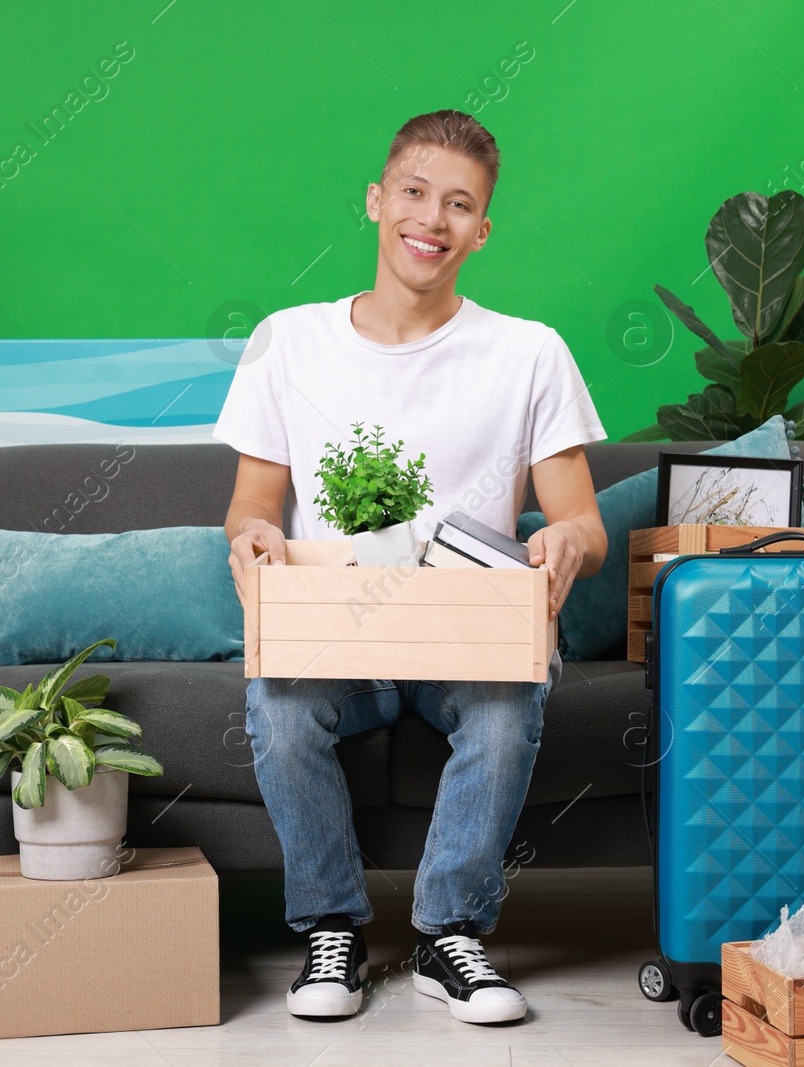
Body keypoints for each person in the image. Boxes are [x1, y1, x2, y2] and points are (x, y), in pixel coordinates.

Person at [213, 109, 606, 1024]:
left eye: (460, 204)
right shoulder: (287, 340)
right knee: (278, 705)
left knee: (511, 706)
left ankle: (448, 933)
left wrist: (565, 545)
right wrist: (252, 538)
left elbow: (581, 517)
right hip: (335, 631)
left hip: (468, 633)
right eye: (417, 193)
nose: (433, 218)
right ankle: (330, 926)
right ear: (376, 201)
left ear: (482, 230)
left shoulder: (528, 351)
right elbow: (250, 504)